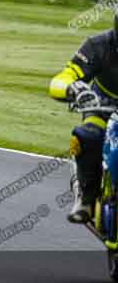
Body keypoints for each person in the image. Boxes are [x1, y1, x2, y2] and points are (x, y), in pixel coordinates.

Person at [48, 18, 118, 223]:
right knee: (88, 135)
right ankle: (85, 198)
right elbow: (62, 78)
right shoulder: (98, 45)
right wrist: (73, 88)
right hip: (101, 109)